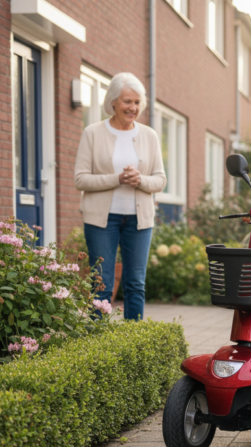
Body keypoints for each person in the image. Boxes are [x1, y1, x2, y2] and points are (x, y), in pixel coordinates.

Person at [74, 72, 166, 320]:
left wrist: (140, 180)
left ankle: (133, 342)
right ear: (113, 101)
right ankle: (99, 343)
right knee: (101, 284)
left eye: (137, 102)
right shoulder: (92, 133)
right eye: (127, 101)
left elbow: (160, 179)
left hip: (139, 220)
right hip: (101, 221)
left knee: (135, 283)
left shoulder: (149, 135)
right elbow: (80, 179)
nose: (133, 107)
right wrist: (117, 179)